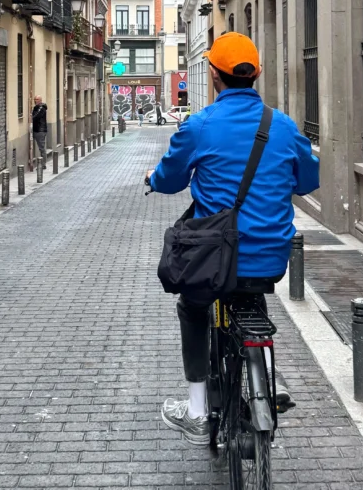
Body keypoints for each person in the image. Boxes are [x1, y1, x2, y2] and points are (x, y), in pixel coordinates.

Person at [146, 32, 320, 445]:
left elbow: (169, 181)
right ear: (256, 74)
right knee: (250, 294)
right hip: (273, 258)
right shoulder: (283, 125)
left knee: (194, 305)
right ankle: (264, 377)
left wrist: (152, 180)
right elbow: (308, 180)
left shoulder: (200, 125)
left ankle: (195, 410)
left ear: (214, 75)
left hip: (214, 257)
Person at [31, 96, 48, 161]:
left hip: (40, 130)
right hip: (36, 129)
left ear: (40, 100)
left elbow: (36, 117)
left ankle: (43, 164)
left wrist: (30, 118)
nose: (35, 100)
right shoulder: (36, 107)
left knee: (41, 148)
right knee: (41, 147)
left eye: (37, 99)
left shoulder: (41, 108)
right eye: (34, 99)